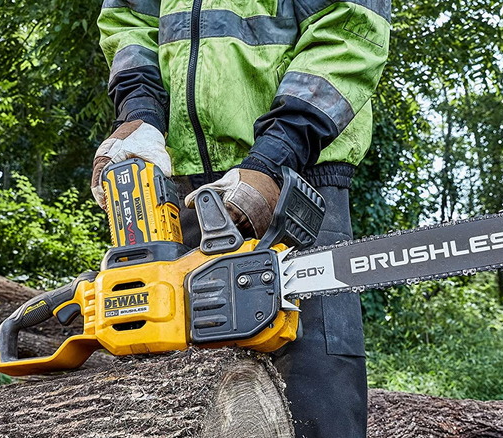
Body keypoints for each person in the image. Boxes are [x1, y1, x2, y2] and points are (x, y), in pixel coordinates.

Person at [90, 0, 389, 436]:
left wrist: (274, 155)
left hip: (296, 180)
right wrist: (141, 115)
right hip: (180, 192)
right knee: (180, 400)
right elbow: (127, 21)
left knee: (317, 394)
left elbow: (350, 33)